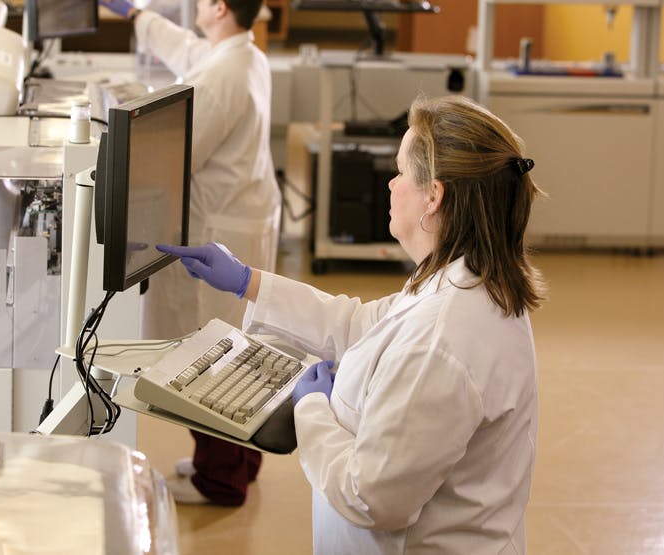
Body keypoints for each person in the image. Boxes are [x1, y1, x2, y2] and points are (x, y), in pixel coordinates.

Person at [160, 95, 545, 553]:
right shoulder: (466, 281)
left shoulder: (441, 342)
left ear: (433, 196)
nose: (390, 184)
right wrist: (248, 281)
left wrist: (311, 409)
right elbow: (364, 323)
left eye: (400, 172)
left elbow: (371, 498)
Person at [95, 0, 281, 507]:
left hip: (219, 227)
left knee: (208, 351)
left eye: (201, 1)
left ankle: (218, 479)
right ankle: (239, 461)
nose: (196, 9)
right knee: (237, 348)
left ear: (219, 7)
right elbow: (189, 50)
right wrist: (133, 15)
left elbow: (177, 156)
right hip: (243, 214)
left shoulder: (225, 75)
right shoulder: (243, 54)